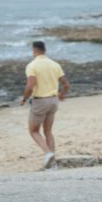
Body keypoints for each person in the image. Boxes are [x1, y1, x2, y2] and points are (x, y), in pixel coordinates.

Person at [21, 40, 69, 169]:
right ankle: (53, 164)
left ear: (34, 50)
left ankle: (48, 154)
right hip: (53, 101)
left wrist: (24, 99)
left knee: (34, 131)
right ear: (45, 50)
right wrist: (62, 94)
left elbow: (30, 86)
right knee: (48, 131)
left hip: (40, 101)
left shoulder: (32, 66)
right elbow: (66, 84)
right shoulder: (55, 64)